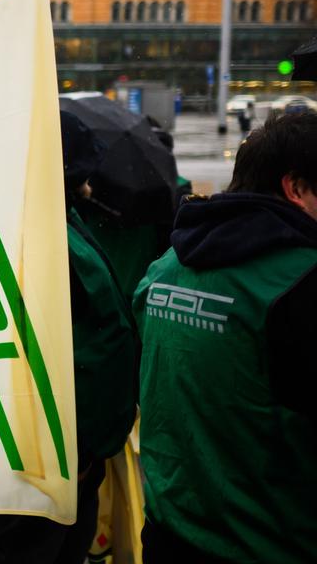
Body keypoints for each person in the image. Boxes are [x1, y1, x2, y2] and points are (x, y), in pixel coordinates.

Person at [134, 110, 317, 564]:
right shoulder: (300, 283)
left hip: (168, 531)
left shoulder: (165, 268)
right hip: (271, 543)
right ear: (295, 188)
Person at [0, 111, 139, 564]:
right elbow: (46, 349)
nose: (93, 180)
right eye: (85, 170)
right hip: (53, 450)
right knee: (25, 548)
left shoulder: (63, 220)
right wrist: (78, 444)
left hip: (76, 450)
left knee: (66, 540)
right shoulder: (37, 234)